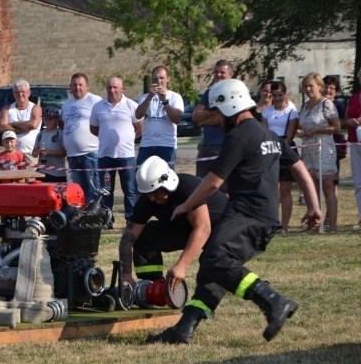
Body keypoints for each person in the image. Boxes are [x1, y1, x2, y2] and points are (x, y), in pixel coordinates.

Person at [145, 79, 321, 345]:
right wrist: (314, 205)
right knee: (211, 267)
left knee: (217, 260)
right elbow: (298, 167)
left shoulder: (238, 136)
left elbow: (213, 182)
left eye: (217, 112)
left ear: (231, 106)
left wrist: (185, 205)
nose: (216, 118)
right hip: (260, 215)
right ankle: (184, 328)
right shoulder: (266, 134)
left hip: (248, 214)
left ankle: (273, 301)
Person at [120, 156, 227, 297]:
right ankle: (153, 287)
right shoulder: (147, 200)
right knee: (145, 235)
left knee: (210, 262)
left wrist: (181, 266)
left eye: (155, 192)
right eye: (147, 193)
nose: (151, 197)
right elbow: (128, 238)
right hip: (188, 227)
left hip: (222, 228)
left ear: (167, 183)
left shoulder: (187, 188)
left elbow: (203, 228)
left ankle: (204, 303)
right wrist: (125, 275)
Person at [89, 77, 141, 226]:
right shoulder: (98, 106)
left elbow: (140, 127)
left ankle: (131, 219)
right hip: (105, 156)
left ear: (122, 88)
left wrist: (128, 139)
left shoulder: (131, 105)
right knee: (106, 192)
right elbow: (94, 128)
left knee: (130, 190)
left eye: (115, 87)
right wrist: (106, 137)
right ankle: (107, 220)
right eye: (109, 87)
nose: (112, 90)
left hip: (126, 156)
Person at [296, 72, 340, 231]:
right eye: (305, 86)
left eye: (311, 85)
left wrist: (316, 131)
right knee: (311, 188)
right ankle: (314, 223)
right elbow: (302, 125)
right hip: (308, 150)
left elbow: (336, 127)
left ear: (319, 86)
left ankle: (332, 224)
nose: (308, 89)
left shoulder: (326, 104)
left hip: (324, 148)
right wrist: (301, 131)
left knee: (327, 186)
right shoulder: (305, 106)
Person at [261, 81, 299, 234]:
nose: (276, 98)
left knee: (285, 189)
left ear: (285, 94)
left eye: (280, 95)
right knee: (272, 189)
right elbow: (264, 130)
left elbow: (291, 134)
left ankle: (284, 225)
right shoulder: (266, 111)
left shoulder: (291, 111)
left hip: (286, 147)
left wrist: (281, 148)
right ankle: (272, 223)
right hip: (270, 146)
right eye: (274, 95)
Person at [60, 73, 102, 204]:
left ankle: (97, 215)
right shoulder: (66, 104)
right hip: (72, 155)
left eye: (80, 85)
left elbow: (103, 122)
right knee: (79, 190)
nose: (77, 87)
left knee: (93, 188)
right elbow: (62, 123)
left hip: (90, 152)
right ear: (70, 87)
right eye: (74, 85)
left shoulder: (95, 101)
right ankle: (83, 217)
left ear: (87, 86)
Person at [135, 66, 184, 168]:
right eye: (155, 78)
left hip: (166, 144)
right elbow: (138, 115)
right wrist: (149, 98)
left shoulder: (175, 97)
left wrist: (164, 101)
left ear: (168, 78)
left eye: (162, 78)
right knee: (142, 177)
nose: (159, 81)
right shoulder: (145, 97)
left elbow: (177, 119)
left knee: (166, 178)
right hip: (147, 144)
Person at [192, 60, 234, 178]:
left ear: (231, 74)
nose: (218, 75)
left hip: (223, 145)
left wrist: (203, 121)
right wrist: (212, 111)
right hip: (206, 146)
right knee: (200, 184)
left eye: (222, 72)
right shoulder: (209, 92)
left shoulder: (233, 93)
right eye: (216, 72)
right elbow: (195, 116)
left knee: (221, 186)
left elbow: (222, 119)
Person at [0, 79, 41, 163]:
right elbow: (1, 127)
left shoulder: (35, 108)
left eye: (23, 92)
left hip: (30, 153)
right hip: (11, 154)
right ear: (13, 94)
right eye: (17, 92)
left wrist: (12, 124)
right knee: (12, 176)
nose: (20, 94)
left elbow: (33, 125)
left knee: (30, 176)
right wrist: (24, 128)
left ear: (29, 93)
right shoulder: (7, 109)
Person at [323, 75, 347, 198]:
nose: (328, 90)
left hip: (333, 145)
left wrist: (331, 123)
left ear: (336, 91)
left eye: (331, 88)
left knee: (333, 180)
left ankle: (331, 213)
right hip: (319, 144)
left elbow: (342, 122)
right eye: (326, 87)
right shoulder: (317, 104)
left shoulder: (338, 105)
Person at [343, 68, 361, 229]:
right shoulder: (354, 97)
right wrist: (350, 121)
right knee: (358, 181)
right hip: (355, 142)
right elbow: (346, 118)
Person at [31, 106, 66, 182]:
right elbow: (33, 153)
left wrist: (49, 152)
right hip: (42, 172)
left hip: (58, 173)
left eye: (50, 119)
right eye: (45, 119)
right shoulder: (40, 134)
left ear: (56, 119)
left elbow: (64, 152)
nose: (47, 121)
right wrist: (36, 152)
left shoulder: (61, 133)